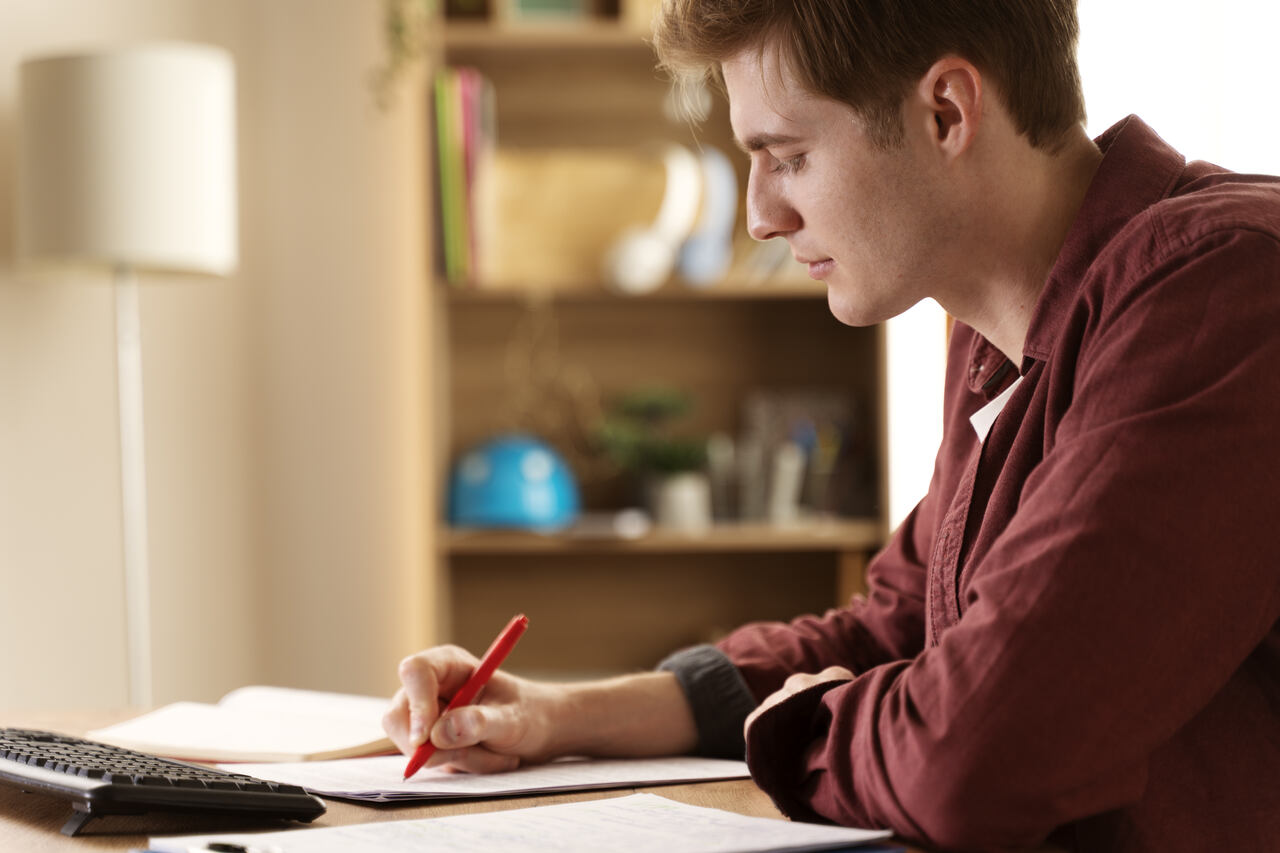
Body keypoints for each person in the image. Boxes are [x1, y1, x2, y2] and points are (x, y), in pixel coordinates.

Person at [384, 1, 1280, 850]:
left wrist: (803, 723)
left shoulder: (1224, 292)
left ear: (945, 112)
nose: (759, 215)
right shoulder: (1000, 331)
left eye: (788, 156)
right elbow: (895, 627)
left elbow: (975, 752)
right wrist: (550, 716)